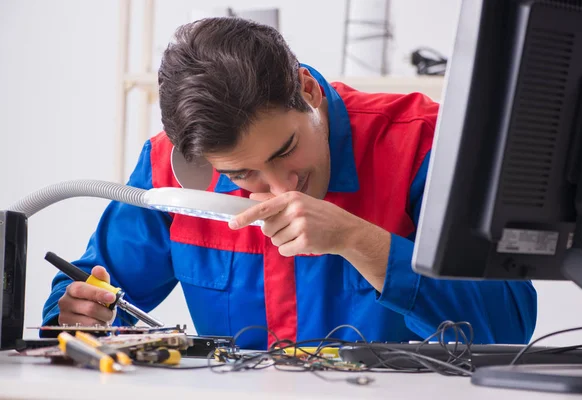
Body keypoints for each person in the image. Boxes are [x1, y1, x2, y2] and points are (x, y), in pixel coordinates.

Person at [42, 17, 537, 348]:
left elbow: (508, 326)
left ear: (307, 90)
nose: (280, 188)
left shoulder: (422, 143)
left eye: (284, 151)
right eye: (242, 174)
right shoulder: (169, 172)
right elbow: (83, 296)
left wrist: (357, 241)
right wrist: (78, 312)